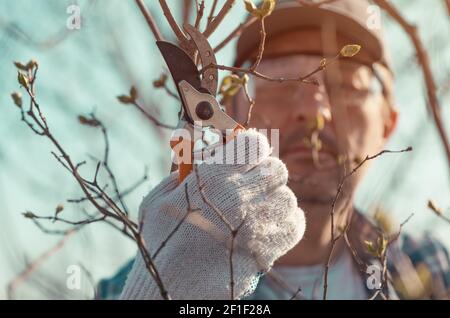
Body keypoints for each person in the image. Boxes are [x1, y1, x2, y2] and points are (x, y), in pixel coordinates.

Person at [98, 0, 450, 300]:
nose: (315, 111)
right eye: (278, 77)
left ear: (387, 124)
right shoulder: (131, 286)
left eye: (346, 84)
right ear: (232, 109)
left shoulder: (432, 268)